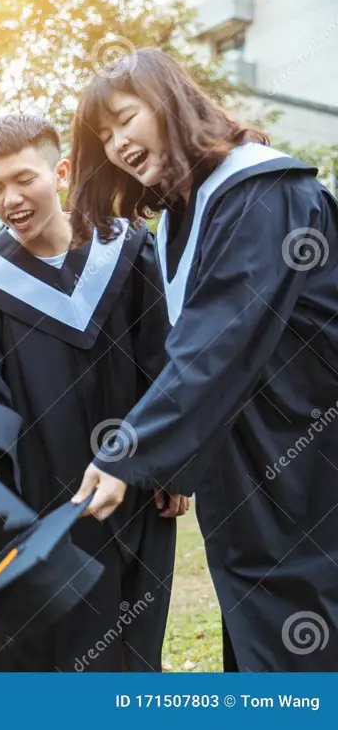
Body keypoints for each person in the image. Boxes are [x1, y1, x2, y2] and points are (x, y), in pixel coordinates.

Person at [69, 48, 338, 671]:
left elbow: (219, 343)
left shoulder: (263, 191)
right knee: (259, 627)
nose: (116, 145)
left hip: (311, 458)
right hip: (254, 466)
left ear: (168, 102)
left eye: (125, 119)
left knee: (300, 631)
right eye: (103, 137)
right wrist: (176, 465)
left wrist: (131, 448)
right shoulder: (182, 217)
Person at [0, 114, 182, 672]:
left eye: (25, 179)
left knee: (132, 649)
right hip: (38, 499)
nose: (11, 199)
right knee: (39, 652)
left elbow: (164, 364)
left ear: (63, 172)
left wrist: (172, 469)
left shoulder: (128, 251)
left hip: (133, 490)